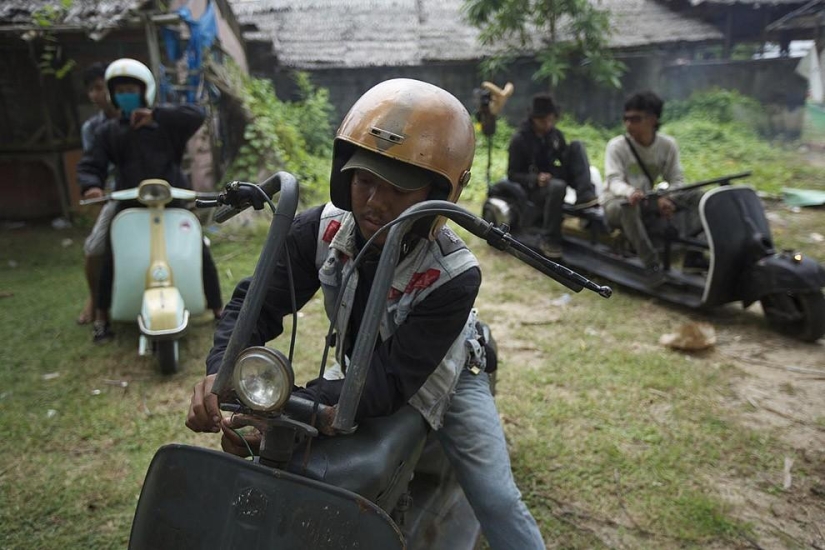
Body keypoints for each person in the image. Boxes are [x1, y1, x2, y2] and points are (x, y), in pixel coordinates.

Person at [185, 79, 546, 550]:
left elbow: (393, 380)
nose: (375, 201)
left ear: (439, 194)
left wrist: (289, 406)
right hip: (362, 365)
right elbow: (255, 303)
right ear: (344, 175)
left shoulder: (454, 274)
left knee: (497, 500)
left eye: (398, 189)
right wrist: (222, 372)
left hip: (447, 374)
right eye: (365, 181)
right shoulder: (322, 227)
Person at [77, 58, 222, 343]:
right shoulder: (108, 131)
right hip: (129, 205)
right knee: (109, 252)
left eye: (132, 88)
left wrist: (156, 115)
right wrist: (91, 186)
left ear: (146, 91)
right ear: (112, 95)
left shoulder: (165, 123)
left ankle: (218, 309)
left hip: (172, 202)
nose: (125, 95)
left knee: (199, 246)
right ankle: (101, 317)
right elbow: (90, 164)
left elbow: (195, 115)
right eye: (120, 91)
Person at [603, 90, 706, 286]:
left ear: (652, 119)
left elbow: (677, 180)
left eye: (635, 119)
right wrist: (631, 192)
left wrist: (668, 198)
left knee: (698, 195)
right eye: (626, 118)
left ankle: (694, 255)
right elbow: (613, 181)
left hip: (648, 199)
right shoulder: (616, 146)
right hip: (616, 203)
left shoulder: (667, 145)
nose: (628, 124)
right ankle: (651, 265)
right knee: (628, 205)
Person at [507, 93, 599, 259]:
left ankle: (585, 195)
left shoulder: (555, 135)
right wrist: (535, 179)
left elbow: (563, 158)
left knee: (577, 145)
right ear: (534, 119)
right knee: (557, 187)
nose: (548, 124)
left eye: (551, 120)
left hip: (554, 178)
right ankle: (550, 238)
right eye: (543, 121)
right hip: (535, 188)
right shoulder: (520, 140)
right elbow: (512, 174)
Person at [76, 62, 120, 325]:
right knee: (95, 247)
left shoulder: (143, 115)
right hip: (113, 196)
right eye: (91, 90)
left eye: (101, 87)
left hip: (150, 192)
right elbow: (92, 164)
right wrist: (93, 185)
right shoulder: (92, 129)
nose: (97, 94)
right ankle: (95, 299)